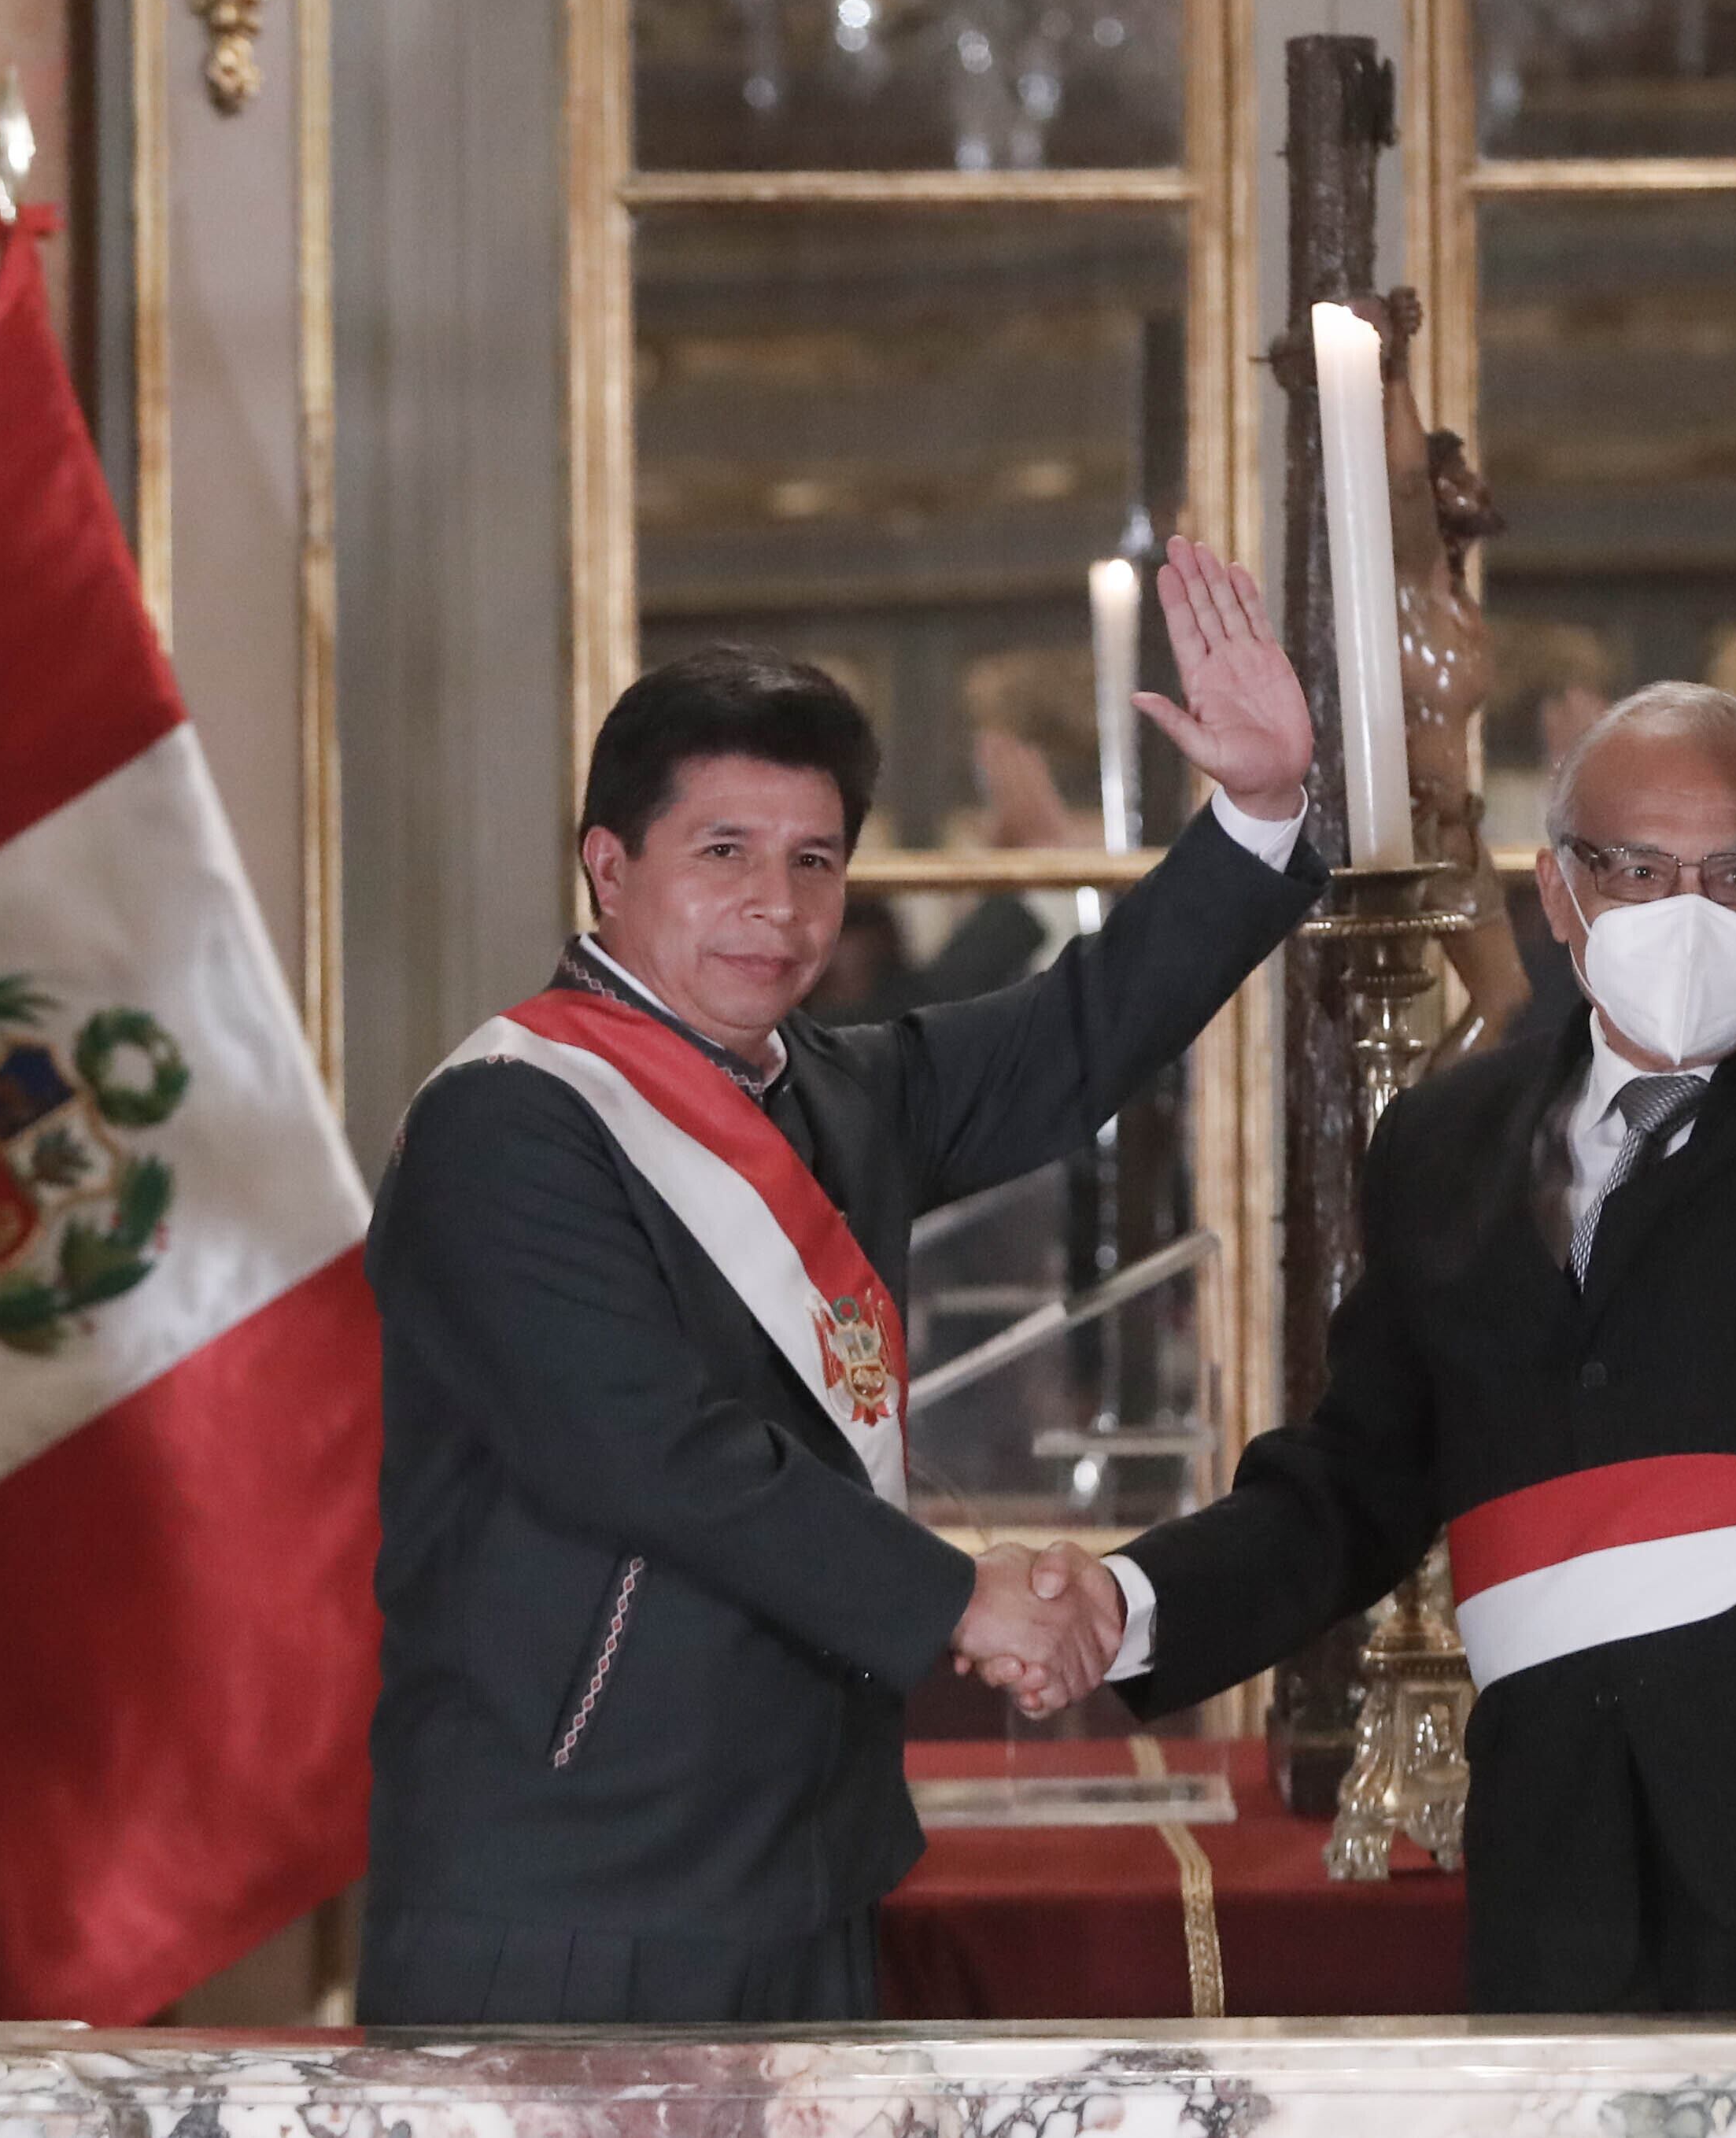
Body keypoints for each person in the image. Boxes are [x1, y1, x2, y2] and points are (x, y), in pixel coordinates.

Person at [1025, 445, 1736, 2016]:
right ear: (1557, 893)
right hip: (1554, 1858)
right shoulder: (1448, 1142)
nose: (1690, 908)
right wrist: (1133, 1604)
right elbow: (1357, 1483)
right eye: (1636, 868)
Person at [356, 537, 1320, 2025]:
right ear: (609, 867)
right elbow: (654, 1455)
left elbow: (1078, 1038)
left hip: (810, 1853)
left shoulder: (838, 1090)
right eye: (723, 852)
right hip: (574, 1871)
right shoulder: (507, 1121)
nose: (778, 905)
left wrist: (1256, 812)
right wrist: (965, 1601)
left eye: (816, 861)